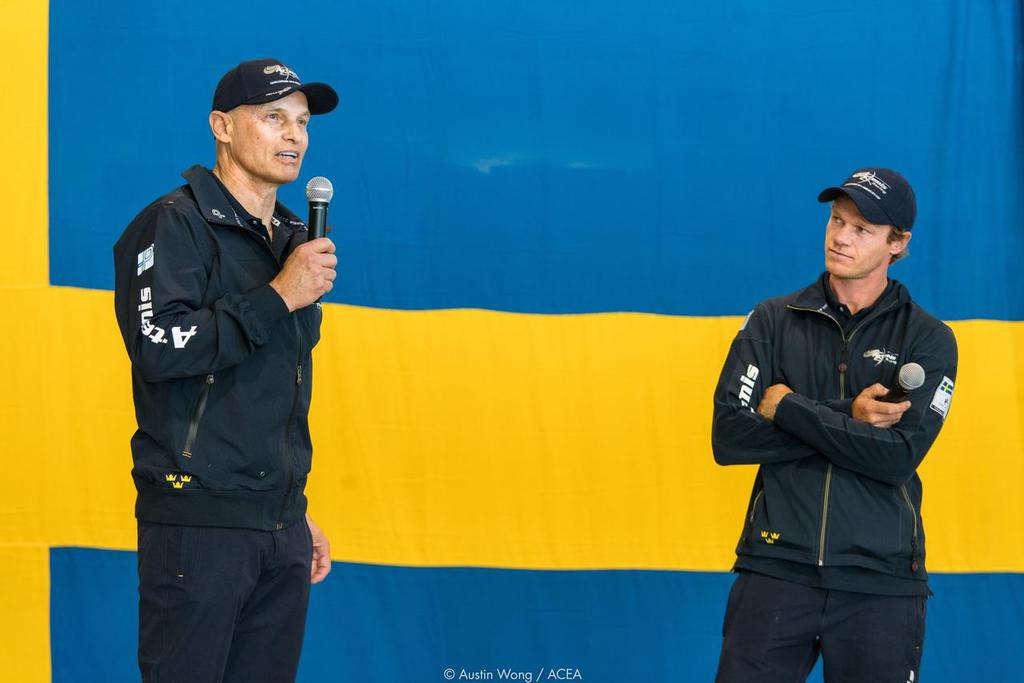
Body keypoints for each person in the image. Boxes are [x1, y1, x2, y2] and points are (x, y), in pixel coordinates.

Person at [113, 58, 340, 682]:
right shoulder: (172, 224)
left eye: (301, 122)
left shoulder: (293, 237)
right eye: (273, 118)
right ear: (222, 126)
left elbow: (269, 385)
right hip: (197, 524)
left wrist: (289, 504)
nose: (294, 136)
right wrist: (277, 297)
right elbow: (160, 348)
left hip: (278, 523)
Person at [711, 168, 958, 682]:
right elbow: (729, 437)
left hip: (881, 580)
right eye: (836, 220)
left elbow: (896, 457)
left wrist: (790, 407)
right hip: (776, 569)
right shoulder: (771, 321)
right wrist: (849, 414)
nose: (841, 237)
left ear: (898, 243)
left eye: (862, 229)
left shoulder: (929, 340)